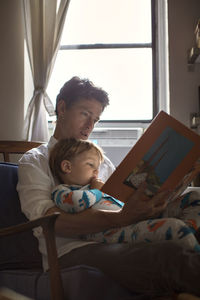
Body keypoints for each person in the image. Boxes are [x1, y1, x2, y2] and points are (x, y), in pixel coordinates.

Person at [17, 76, 200, 297]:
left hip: (123, 231)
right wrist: (120, 218)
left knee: (194, 198)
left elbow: (122, 203)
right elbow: (48, 223)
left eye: (96, 119)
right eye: (85, 114)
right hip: (71, 250)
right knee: (168, 255)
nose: (90, 126)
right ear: (62, 108)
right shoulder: (35, 160)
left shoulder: (101, 162)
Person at [49, 137, 200, 250]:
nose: (96, 171)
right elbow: (75, 203)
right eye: (90, 165)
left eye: (98, 167)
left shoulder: (98, 188)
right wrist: (97, 190)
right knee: (174, 227)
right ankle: (193, 258)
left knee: (194, 198)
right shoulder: (62, 190)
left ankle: (188, 234)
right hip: (116, 231)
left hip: (138, 217)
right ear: (67, 167)